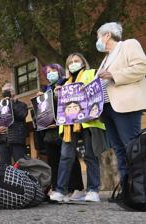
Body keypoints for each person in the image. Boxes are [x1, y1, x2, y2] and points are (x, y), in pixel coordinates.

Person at [50, 53, 106, 202]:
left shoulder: (91, 73)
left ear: (83, 62)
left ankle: (93, 190)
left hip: (89, 121)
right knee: (65, 157)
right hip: (69, 124)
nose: (73, 64)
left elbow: (99, 92)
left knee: (90, 156)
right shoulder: (64, 83)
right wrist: (57, 95)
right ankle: (61, 191)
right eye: (70, 62)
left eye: (77, 61)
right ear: (67, 66)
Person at [95, 22, 146, 187]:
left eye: (98, 37)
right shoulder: (105, 59)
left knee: (132, 147)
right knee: (119, 150)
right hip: (107, 109)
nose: (98, 41)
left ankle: (140, 189)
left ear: (107, 35)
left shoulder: (128, 45)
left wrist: (113, 74)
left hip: (125, 106)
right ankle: (127, 189)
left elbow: (141, 67)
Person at [36, 64, 84, 197]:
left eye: (53, 71)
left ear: (60, 71)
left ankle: (76, 188)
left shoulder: (65, 83)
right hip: (48, 131)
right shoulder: (45, 90)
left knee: (70, 158)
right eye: (48, 72)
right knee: (53, 161)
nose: (50, 73)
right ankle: (58, 189)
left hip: (64, 128)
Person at [0, 83, 28, 165]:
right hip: (2, 141)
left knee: (21, 165)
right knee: (4, 167)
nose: (5, 93)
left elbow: (22, 115)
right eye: (4, 91)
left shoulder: (21, 105)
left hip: (16, 139)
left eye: (7, 91)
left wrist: (11, 104)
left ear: (13, 92)